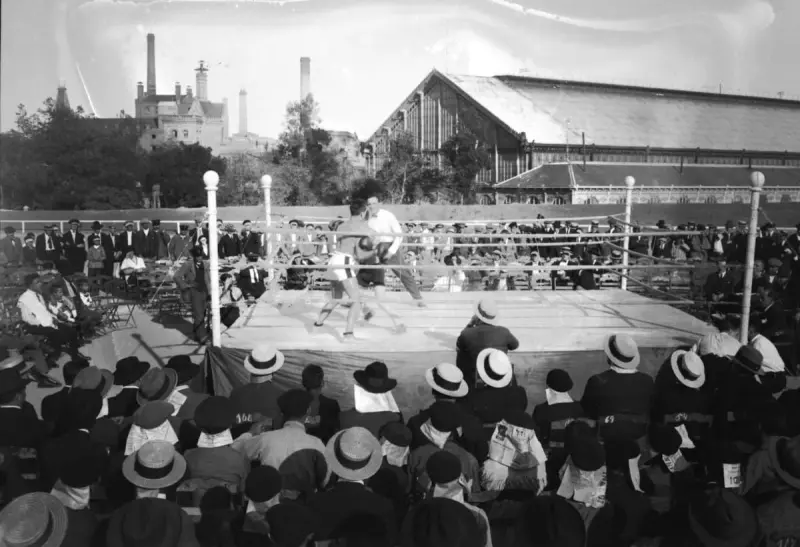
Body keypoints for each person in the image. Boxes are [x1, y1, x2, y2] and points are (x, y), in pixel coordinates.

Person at [313, 200, 377, 340]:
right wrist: (375, 251)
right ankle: (348, 334)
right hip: (345, 262)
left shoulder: (342, 225)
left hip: (334, 260)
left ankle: (317, 324)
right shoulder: (362, 228)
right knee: (356, 300)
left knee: (336, 298)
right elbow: (360, 255)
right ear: (362, 212)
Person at [365, 189, 426, 307]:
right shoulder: (366, 216)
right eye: (369, 204)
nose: (372, 206)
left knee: (403, 273)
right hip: (373, 248)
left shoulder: (388, 216)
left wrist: (391, 251)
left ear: (379, 204)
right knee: (364, 271)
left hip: (389, 246)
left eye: (374, 203)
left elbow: (399, 235)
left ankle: (418, 298)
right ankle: (352, 298)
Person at [173, 246, 211, 343]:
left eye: (201, 256)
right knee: (199, 315)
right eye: (197, 256)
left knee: (204, 313)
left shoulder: (205, 264)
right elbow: (177, 276)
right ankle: (201, 336)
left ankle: (198, 330)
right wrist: (185, 286)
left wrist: (210, 292)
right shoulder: (188, 264)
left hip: (204, 291)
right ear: (194, 256)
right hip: (194, 291)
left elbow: (208, 280)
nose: (200, 258)